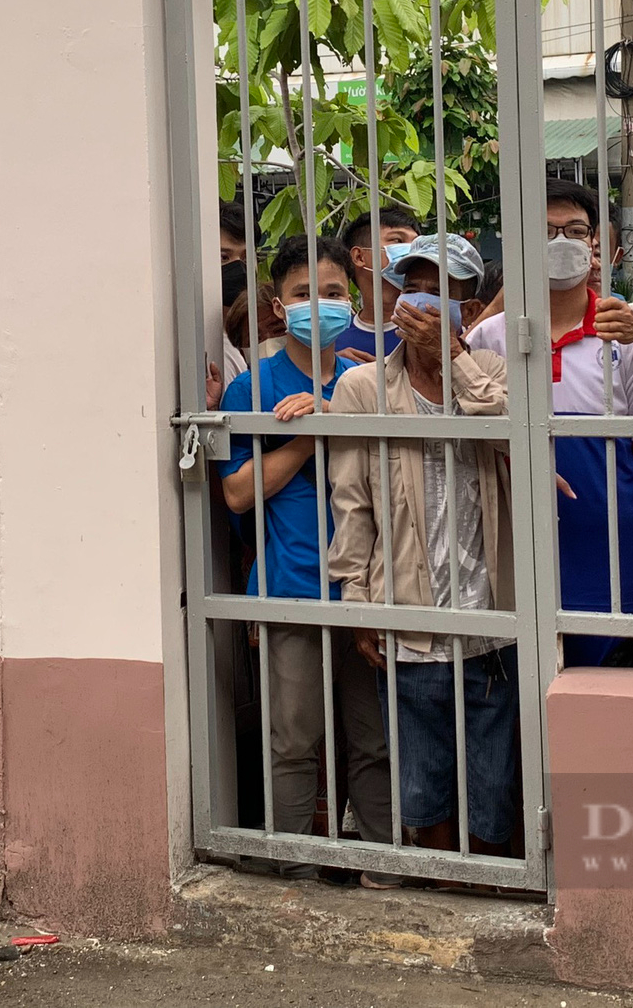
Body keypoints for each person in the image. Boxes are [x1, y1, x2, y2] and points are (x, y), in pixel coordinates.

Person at [328, 233, 519, 857]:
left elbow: (511, 438)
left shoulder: (490, 370)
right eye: (410, 286)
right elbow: (351, 497)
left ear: (466, 303)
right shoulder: (362, 387)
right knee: (420, 766)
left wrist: (453, 358)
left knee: (492, 768)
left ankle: (491, 873)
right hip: (407, 605)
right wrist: (357, 594)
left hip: (491, 606)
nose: (421, 300)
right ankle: (437, 873)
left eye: (440, 289)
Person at [217, 234, 393, 875]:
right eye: (303, 294)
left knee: (374, 743)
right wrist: (309, 435)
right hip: (292, 588)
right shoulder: (254, 388)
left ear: (357, 297)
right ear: (276, 303)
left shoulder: (372, 379)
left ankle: (379, 865)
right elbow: (237, 494)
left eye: (334, 293)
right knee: (293, 743)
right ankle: (292, 867)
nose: (319, 304)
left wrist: (336, 411)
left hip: (373, 591)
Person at [464, 180, 633, 667]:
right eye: (543, 232)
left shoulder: (627, 336)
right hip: (512, 568)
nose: (560, 243)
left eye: (574, 230)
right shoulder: (488, 338)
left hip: (613, 568)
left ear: (596, 245)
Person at [335, 205, 420, 359]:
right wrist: (334, 366)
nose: (412, 250)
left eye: (416, 244)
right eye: (398, 240)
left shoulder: (434, 329)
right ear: (359, 257)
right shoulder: (333, 339)